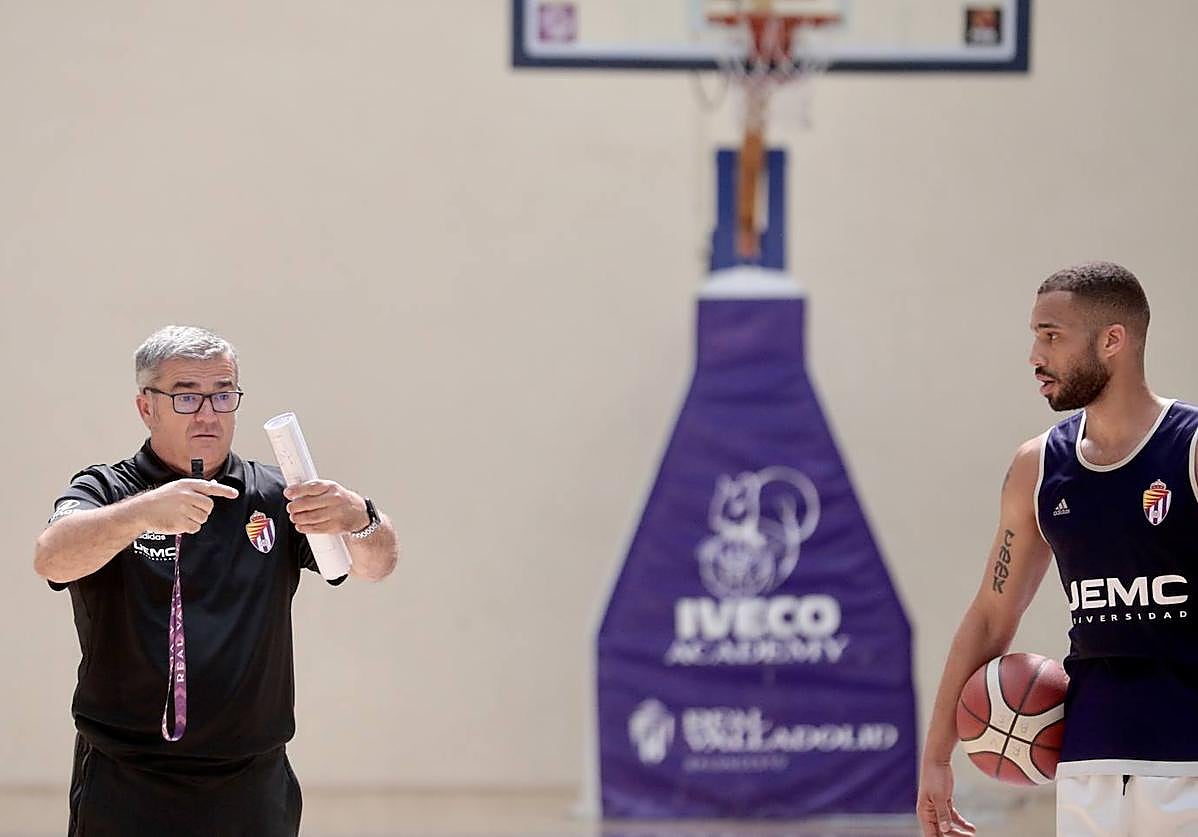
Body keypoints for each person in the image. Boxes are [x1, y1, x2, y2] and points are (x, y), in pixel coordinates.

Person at [33, 325, 400, 836]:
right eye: (186, 397)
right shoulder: (109, 489)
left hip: (251, 778)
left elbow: (375, 565)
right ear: (147, 407)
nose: (208, 414)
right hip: (129, 778)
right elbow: (52, 558)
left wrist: (360, 516)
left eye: (222, 396)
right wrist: (140, 516)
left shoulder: (277, 494)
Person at [918, 262, 1198, 836]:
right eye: (1035, 336)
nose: (1034, 356)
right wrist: (938, 754)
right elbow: (992, 615)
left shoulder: (1191, 449)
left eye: (1051, 335)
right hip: (1089, 763)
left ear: (1112, 340)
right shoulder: (1038, 467)